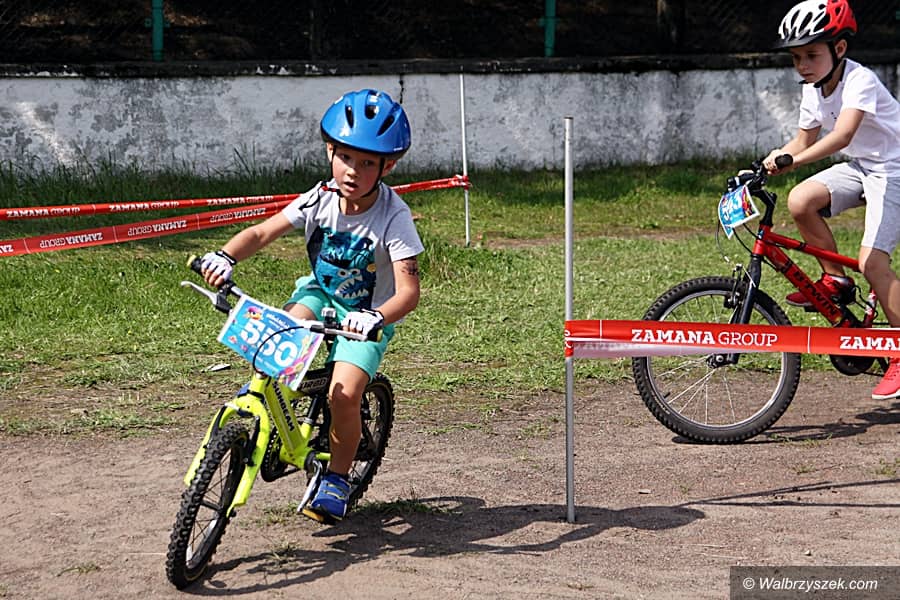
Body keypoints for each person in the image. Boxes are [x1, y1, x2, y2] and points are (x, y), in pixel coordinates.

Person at [199, 89, 424, 522]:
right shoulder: (319, 197)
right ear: (329, 151)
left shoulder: (394, 217)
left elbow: (408, 292)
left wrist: (376, 317)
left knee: (344, 394)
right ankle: (274, 414)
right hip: (319, 295)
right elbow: (262, 233)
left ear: (388, 167)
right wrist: (225, 256)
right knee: (277, 341)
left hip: (366, 314)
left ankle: (337, 478)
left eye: (367, 163)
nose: (352, 171)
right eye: (345, 157)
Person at [763, 0, 900, 401]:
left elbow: (841, 136)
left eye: (812, 55)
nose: (803, 65)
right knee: (801, 200)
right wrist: (768, 163)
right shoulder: (814, 89)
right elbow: (802, 140)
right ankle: (836, 280)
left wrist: (794, 160)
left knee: (873, 263)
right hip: (863, 166)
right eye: (796, 58)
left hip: (894, 170)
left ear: (839, 49)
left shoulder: (860, 80)